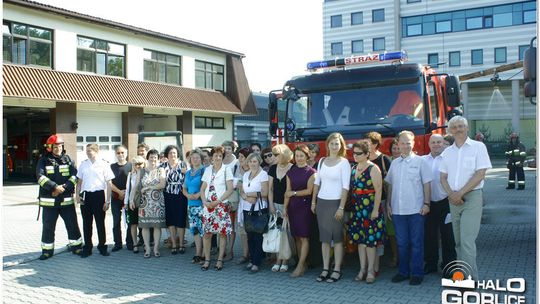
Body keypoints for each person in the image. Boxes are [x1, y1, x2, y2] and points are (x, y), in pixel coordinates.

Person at [440, 116, 492, 280]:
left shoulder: (478, 147)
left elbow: (480, 174)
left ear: (467, 128)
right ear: (450, 131)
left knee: (467, 242)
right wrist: (452, 194)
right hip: (453, 200)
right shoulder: (447, 152)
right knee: (458, 243)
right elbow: (443, 177)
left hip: (472, 198)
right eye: (454, 127)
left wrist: (460, 193)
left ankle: (470, 281)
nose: (458, 129)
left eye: (461, 126)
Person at [385, 131, 432, 285]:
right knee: (402, 243)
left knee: (417, 243)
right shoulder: (394, 163)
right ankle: (403, 272)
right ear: (398, 144)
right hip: (398, 211)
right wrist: (388, 204)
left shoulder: (421, 162)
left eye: (408, 143)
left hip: (416, 210)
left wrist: (426, 204)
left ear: (414, 143)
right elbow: (390, 184)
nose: (405, 146)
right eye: (402, 143)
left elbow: (427, 184)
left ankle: (417, 273)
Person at [312, 132, 351, 283]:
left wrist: (341, 207)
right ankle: (325, 268)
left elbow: (345, 187)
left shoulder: (344, 163)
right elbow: (317, 183)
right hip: (322, 202)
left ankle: (337, 270)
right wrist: (313, 202)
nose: (334, 146)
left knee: (338, 238)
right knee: (325, 239)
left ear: (341, 146)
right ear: (327, 145)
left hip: (336, 203)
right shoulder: (321, 161)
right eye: (332, 143)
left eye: (337, 143)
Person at [36, 134, 82, 260]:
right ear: (50, 147)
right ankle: (47, 251)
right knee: (48, 226)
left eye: (60, 146)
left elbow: (74, 176)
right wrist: (54, 187)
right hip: (50, 202)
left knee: (72, 224)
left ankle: (76, 247)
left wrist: (63, 188)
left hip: (66, 200)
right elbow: (40, 177)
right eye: (55, 146)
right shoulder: (43, 160)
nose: (59, 148)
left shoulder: (68, 160)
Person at [348, 141, 385, 283]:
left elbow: (378, 190)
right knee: (360, 241)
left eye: (359, 153)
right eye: (354, 153)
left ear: (367, 154)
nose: (355, 156)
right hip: (357, 210)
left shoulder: (373, 168)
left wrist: (375, 210)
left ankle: (371, 270)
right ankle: (362, 269)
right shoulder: (354, 168)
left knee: (370, 242)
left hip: (370, 209)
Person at [422, 134, 456, 275]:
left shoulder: (450, 160)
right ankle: (430, 264)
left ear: (443, 143)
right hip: (429, 203)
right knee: (430, 236)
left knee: (448, 237)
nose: (436, 144)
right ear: (429, 144)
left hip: (446, 202)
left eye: (439, 142)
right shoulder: (423, 161)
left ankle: (449, 267)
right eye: (433, 142)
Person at [76, 144, 115, 258]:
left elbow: (109, 184)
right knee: (86, 223)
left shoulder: (104, 164)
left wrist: (107, 201)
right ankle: (87, 248)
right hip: (86, 196)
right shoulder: (83, 164)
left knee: (100, 223)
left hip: (98, 196)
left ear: (96, 151)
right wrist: (77, 196)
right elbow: (79, 182)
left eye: (90, 150)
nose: (88, 153)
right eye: (87, 151)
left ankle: (102, 247)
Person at [284, 145, 316, 278]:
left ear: (307, 157)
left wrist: (294, 193)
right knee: (296, 236)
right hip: (293, 207)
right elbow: (287, 192)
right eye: (296, 156)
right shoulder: (291, 172)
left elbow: (309, 191)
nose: (299, 158)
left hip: (304, 207)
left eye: (301, 156)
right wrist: (285, 208)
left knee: (304, 236)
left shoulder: (312, 172)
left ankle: (300, 265)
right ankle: (301, 262)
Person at [363, 132, 393, 273]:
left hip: (380, 202)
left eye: (368, 143)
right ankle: (368, 263)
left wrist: (388, 204)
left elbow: (390, 184)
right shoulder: (362, 160)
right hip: (364, 203)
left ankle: (376, 264)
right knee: (366, 233)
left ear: (375, 144)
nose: (365, 145)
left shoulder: (384, 160)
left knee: (377, 232)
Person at [200, 146, 234, 271]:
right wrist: (204, 201)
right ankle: (207, 259)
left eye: (220, 155)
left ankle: (219, 260)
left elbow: (230, 189)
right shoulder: (208, 170)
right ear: (212, 157)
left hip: (220, 205)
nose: (218, 157)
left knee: (222, 234)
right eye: (216, 155)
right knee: (207, 234)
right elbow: (203, 188)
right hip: (208, 206)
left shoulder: (227, 170)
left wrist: (217, 202)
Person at [238, 153, 270, 273]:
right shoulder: (246, 174)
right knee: (249, 236)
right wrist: (246, 198)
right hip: (247, 208)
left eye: (255, 161)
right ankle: (251, 260)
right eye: (250, 161)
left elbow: (265, 192)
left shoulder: (263, 175)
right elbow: (241, 191)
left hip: (259, 209)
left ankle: (256, 262)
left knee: (258, 236)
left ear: (259, 162)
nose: (252, 163)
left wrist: (252, 195)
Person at [268, 144, 293, 272]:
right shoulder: (272, 168)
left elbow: (290, 190)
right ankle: (278, 259)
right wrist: (271, 205)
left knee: (286, 234)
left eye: (276, 154)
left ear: (283, 154)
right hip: (275, 205)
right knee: (277, 233)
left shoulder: (292, 168)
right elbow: (270, 189)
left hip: (288, 205)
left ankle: (285, 260)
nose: (273, 157)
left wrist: (286, 208)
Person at [138, 149, 166, 258]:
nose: (153, 159)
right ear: (147, 158)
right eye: (151, 157)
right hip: (144, 202)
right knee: (145, 226)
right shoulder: (142, 171)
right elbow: (136, 185)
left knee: (157, 226)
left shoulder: (161, 170)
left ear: (158, 159)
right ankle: (147, 249)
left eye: (155, 157)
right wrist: (130, 199)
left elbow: (162, 184)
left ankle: (156, 248)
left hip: (157, 203)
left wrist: (149, 187)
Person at [161, 145, 189, 254]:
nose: (172, 155)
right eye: (170, 153)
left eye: (174, 152)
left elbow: (189, 177)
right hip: (168, 195)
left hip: (181, 195)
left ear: (177, 153)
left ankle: (181, 244)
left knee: (180, 220)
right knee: (171, 220)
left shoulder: (183, 164)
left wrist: (185, 172)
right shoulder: (162, 165)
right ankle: (173, 244)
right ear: (167, 155)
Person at [183, 149, 205, 263]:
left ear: (201, 159)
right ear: (190, 160)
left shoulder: (204, 171)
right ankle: (198, 253)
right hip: (190, 205)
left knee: (203, 230)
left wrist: (198, 195)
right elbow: (184, 188)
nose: (195, 159)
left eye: (197, 157)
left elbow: (207, 187)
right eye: (193, 158)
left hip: (201, 204)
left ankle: (204, 254)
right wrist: (187, 195)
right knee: (195, 229)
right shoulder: (188, 172)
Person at [110, 145, 132, 252]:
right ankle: (117, 243)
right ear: (115, 154)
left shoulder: (131, 166)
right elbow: (109, 183)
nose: (120, 155)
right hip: (115, 198)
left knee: (129, 221)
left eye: (122, 152)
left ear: (126, 153)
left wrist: (126, 194)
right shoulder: (112, 167)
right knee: (116, 221)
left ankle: (130, 242)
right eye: (118, 153)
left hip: (128, 198)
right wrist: (119, 192)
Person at [222, 141, 240, 260]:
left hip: (232, 195)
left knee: (231, 225)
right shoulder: (220, 160)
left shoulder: (236, 162)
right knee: (222, 224)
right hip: (221, 195)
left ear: (233, 149)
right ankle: (222, 249)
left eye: (229, 148)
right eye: (225, 148)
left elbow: (238, 178)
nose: (227, 150)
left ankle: (230, 250)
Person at [235, 147, 252, 264]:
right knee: (242, 230)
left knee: (251, 229)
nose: (240, 159)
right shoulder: (236, 167)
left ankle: (253, 254)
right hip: (239, 202)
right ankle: (245, 254)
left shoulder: (253, 169)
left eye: (242, 157)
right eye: (239, 156)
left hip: (251, 202)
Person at [125, 156, 145, 254]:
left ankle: (145, 243)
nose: (138, 166)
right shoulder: (130, 175)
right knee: (133, 224)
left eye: (140, 163)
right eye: (135, 164)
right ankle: (135, 244)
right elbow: (128, 189)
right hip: (132, 202)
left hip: (144, 202)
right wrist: (126, 202)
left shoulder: (146, 174)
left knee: (144, 224)